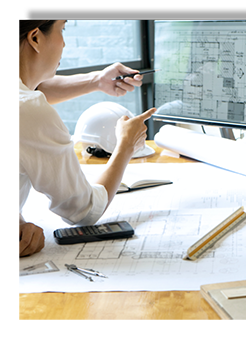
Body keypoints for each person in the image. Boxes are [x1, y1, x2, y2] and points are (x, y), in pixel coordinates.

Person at [19, 19, 156, 257]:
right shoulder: (28, 109)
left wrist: (98, 80)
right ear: (35, 38)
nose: (64, 42)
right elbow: (84, 210)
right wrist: (125, 145)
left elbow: (31, 90)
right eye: (62, 30)